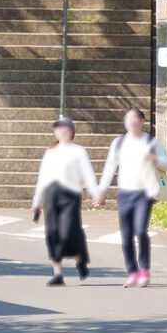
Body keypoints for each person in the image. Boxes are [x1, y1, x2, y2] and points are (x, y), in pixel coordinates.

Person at [95, 106, 167, 285]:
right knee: (125, 236)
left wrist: (155, 160)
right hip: (125, 194)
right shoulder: (118, 143)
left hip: (144, 193)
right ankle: (132, 272)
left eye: (136, 118)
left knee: (141, 230)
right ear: (125, 122)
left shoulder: (152, 142)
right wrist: (101, 191)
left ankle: (144, 270)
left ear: (142, 121)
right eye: (129, 118)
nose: (133, 121)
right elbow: (109, 168)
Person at [31, 115, 98, 284]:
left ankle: (80, 259)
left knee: (70, 231)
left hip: (71, 195)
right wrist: (36, 203)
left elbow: (88, 175)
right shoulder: (50, 152)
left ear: (71, 131)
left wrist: (95, 193)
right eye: (57, 128)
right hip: (51, 195)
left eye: (64, 127)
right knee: (52, 233)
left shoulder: (79, 151)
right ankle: (58, 273)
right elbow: (42, 178)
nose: (60, 130)